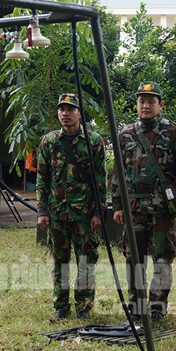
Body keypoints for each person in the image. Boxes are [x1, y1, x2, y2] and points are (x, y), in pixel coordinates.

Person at [111, 81, 176, 324]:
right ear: (136, 104)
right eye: (141, 100)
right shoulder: (125, 134)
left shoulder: (173, 132)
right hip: (133, 210)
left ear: (160, 104)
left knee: (162, 259)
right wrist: (117, 204)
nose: (145, 105)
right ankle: (136, 306)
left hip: (162, 209)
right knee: (133, 258)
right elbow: (117, 173)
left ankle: (157, 308)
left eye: (151, 101)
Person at [36, 93, 107, 321]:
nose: (65, 113)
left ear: (79, 113)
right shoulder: (49, 141)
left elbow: (100, 180)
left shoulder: (94, 141)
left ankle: (83, 308)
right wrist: (42, 210)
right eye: (62, 109)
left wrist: (98, 212)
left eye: (70, 109)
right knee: (60, 262)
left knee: (86, 262)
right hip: (57, 214)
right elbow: (42, 178)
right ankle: (61, 307)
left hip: (85, 215)